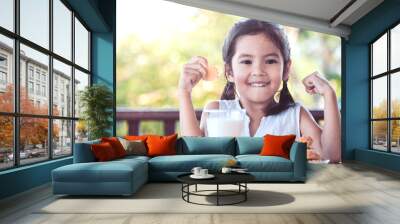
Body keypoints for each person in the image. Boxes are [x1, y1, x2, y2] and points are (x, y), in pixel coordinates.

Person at [178, 19, 341, 163]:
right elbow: (194, 152)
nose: (258, 71)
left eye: (270, 61)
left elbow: (330, 155)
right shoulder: (216, 111)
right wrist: (184, 92)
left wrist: (329, 94)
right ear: (229, 71)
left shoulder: (296, 115)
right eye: (247, 61)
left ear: (286, 70)